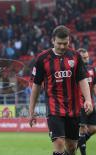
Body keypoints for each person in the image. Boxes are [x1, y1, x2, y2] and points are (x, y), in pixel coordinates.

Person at [28, 25, 93, 155]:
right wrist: (31, 110)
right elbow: (36, 85)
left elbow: (82, 79)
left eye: (65, 43)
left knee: (71, 147)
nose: (63, 46)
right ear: (53, 40)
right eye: (59, 43)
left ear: (69, 41)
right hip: (54, 108)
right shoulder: (42, 59)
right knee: (58, 143)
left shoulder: (75, 56)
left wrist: (88, 99)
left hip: (73, 108)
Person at [77, 48, 96, 155]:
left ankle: (77, 143)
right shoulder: (75, 70)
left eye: (87, 57)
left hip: (91, 104)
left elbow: (94, 87)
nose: (86, 59)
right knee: (83, 129)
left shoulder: (92, 70)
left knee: (93, 128)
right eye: (83, 58)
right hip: (80, 104)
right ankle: (83, 152)